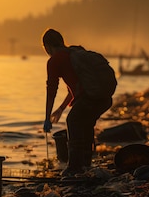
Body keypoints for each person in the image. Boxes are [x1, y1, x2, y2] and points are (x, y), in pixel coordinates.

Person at [42, 29, 114, 176]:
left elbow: (51, 91)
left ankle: (75, 166)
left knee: (73, 120)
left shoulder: (55, 60)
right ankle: (86, 164)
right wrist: (61, 108)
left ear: (47, 47)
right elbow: (75, 88)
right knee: (85, 123)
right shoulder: (76, 52)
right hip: (105, 97)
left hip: (90, 98)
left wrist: (46, 117)